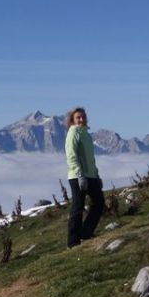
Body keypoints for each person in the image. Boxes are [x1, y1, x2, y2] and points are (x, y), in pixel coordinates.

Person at [64, 106, 104, 248]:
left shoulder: (86, 134)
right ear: (72, 120)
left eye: (83, 117)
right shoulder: (73, 132)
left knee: (99, 203)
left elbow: (90, 158)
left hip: (90, 175)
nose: (81, 119)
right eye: (78, 117)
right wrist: (80, 174)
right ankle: (72, 242)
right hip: (78, 176)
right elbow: (71, 155)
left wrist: (96, 175)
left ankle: (86, 233)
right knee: (77, 207)